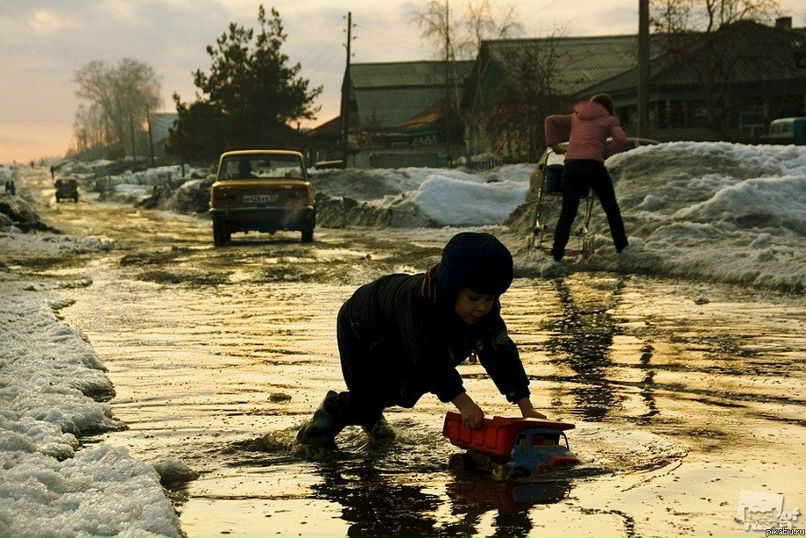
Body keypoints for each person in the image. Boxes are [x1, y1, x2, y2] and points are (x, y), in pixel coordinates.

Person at [297, 232, 546, 448]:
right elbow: (430, 358)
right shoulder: (418, 302)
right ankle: (325, 420)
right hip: (364, 328)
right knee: (372, 394)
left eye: (490, 299)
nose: (482, 307)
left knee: (406, 391)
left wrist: (525, 406)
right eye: (473, 298)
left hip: (406, 337)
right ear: (451, 288)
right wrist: (465, 404)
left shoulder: (483, 311)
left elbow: (500, 353)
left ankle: (371, 417)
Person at [544, 93, 628, 262]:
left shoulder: (576, 117)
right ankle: (622, 249)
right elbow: (621, 139)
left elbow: (550, 120)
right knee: (611, 210)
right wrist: (604, 152)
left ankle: (557, 254)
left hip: (572, 167)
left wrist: (554, 144)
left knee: (568, 212)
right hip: (594, 167)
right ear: (608, 108)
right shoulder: (609, 120)